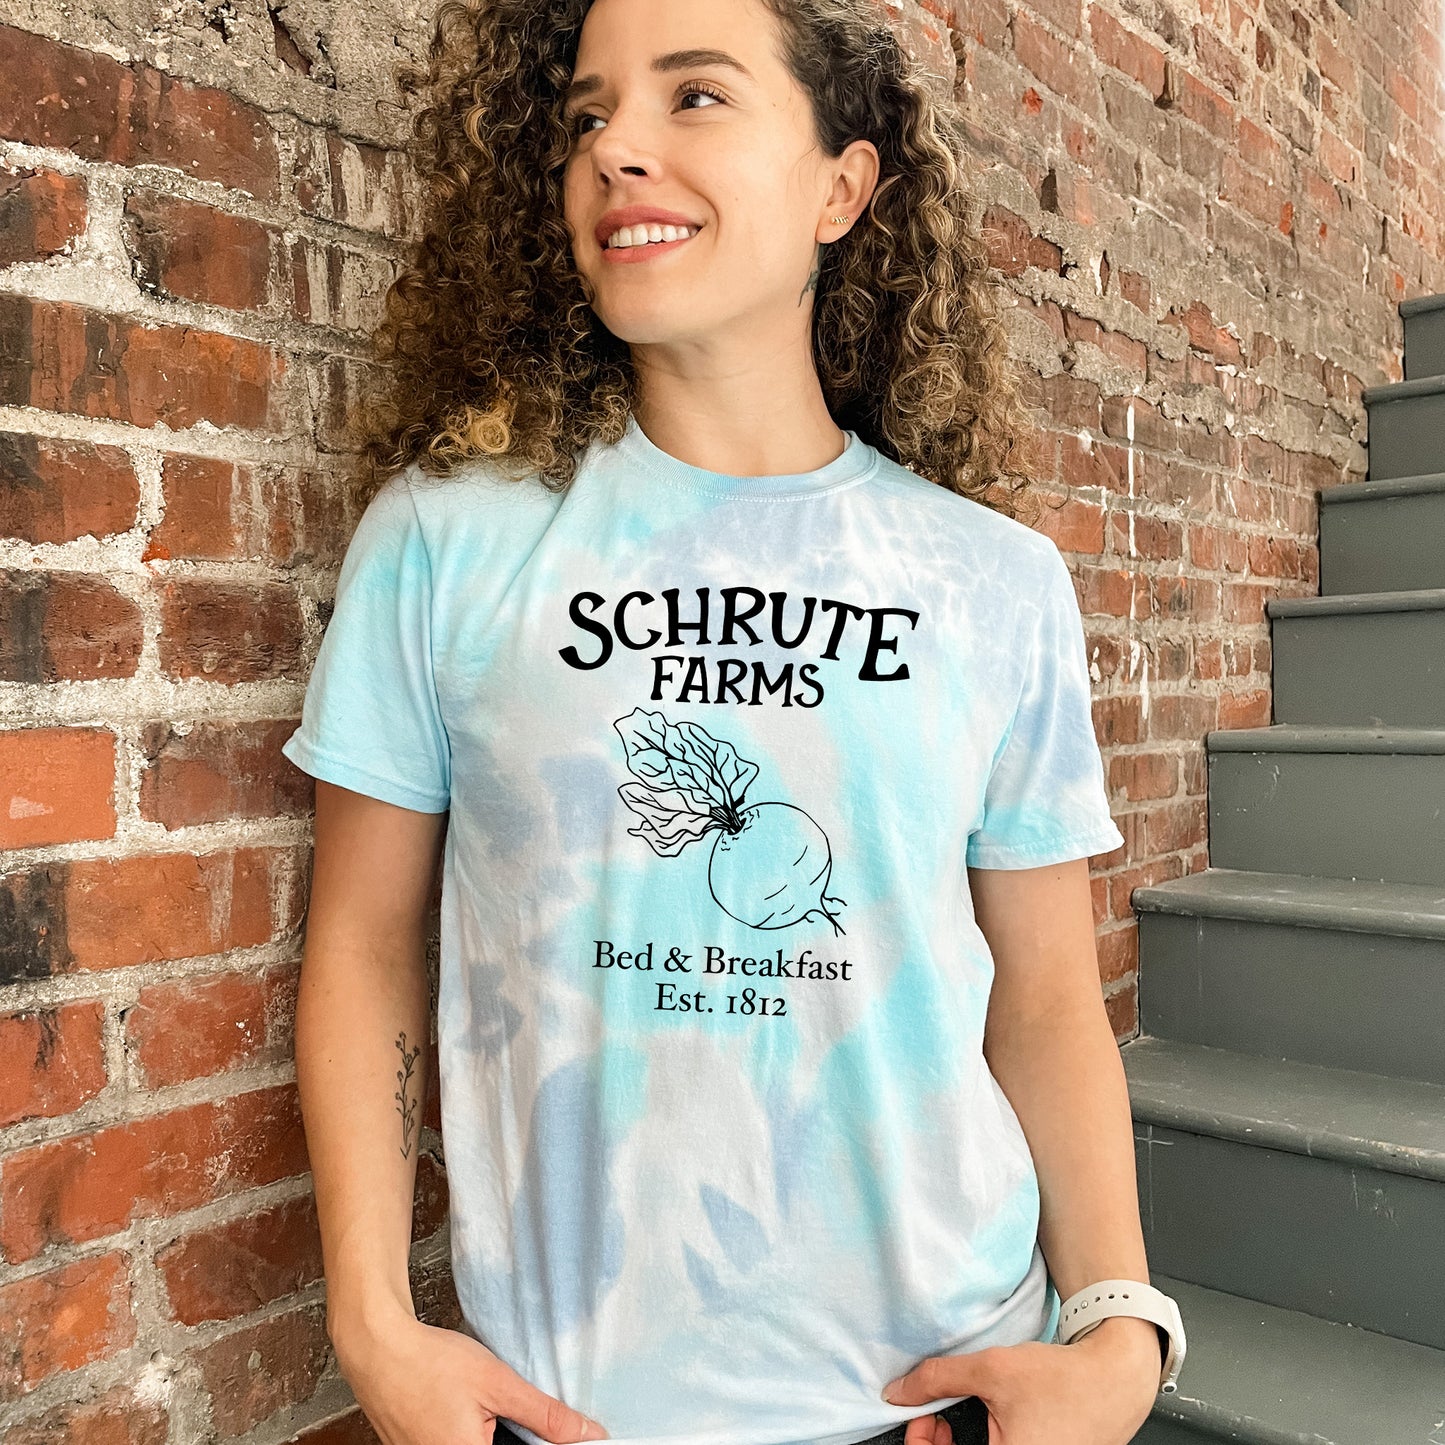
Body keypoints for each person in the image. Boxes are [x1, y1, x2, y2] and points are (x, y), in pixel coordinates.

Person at [282, 1, 1173, 1443]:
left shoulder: (992, 580)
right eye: (585, 117)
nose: (615, 149)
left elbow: (1046, 999)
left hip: (946, 1399)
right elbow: (367, 944)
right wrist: (374, 1323)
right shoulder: (447, 540)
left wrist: (1119, 1328)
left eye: (693, 98)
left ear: (841, 186)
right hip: (569, 1410)